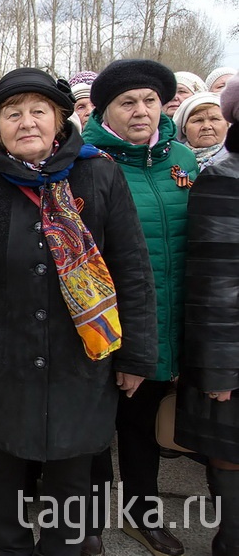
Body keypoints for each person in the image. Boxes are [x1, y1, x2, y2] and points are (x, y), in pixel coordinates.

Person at [0, 68, 157, 556]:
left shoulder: (99, 174)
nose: (26, 122)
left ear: (59, 119)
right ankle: (9, 548)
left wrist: (136, 356)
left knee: (72, 478)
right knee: (4, 479)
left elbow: (133, 270)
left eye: (38, 111)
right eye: (13, 113)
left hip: (82, 361)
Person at [82, 59, 197, 556]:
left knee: (141, 432)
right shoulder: (86, 163)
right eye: (128, 102)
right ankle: (85, 525)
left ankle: (141, 516)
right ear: (107, 110)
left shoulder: (184, 161)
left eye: (150, 100)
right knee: (91, 434)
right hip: (105, 323)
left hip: (164, 320)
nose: (141, 111)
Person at [176, 77, 239, 556]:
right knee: (231, 457)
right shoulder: (224, 178)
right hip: (233, 353)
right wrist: (218, 369)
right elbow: (214, 282)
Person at [172, 92, 229, 171]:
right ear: (184, 128)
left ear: (227, 125)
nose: (206, 126)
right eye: (198, 120)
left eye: (214, 119)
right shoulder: (170, 161)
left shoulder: (235, 161)